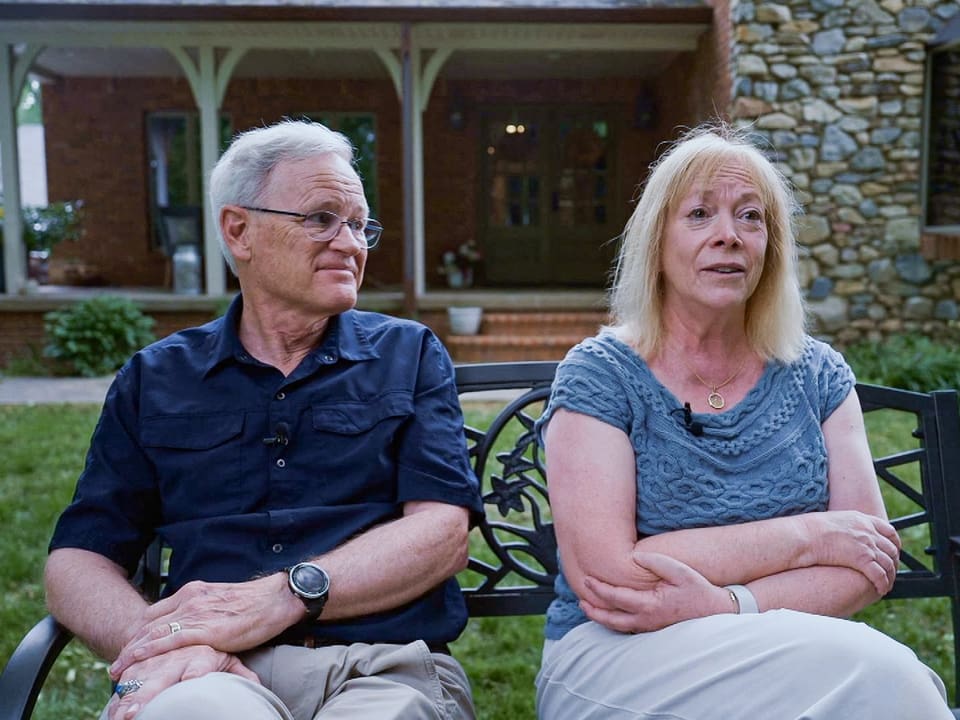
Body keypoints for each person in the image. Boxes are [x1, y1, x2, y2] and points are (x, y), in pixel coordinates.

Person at [44, 119, 483, 720]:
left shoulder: (408, 355)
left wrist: (286, 596)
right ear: (239, 229)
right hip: (213, 670)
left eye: (359, 225)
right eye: (322, 218)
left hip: (382, 666)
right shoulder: (156, 378)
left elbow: (442, 535)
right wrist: (160, 645)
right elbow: (78, 559)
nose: (351, 244)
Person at [534, 122, 954, 719]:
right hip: (618, 652)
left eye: (750, 217)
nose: (728, 236)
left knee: (879, 680)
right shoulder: (602, 374)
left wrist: (730, 604)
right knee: (883, 678)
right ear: (657, 242)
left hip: (777, 642)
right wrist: (812, 537)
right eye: (700, 214)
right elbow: (611, 574)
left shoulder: (817, 374)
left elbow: (868, 562)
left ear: (771, 248)